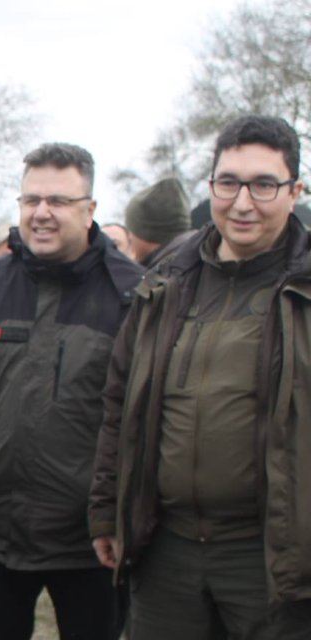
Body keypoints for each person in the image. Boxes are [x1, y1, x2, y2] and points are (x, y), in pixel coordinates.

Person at [90, 114, 311, 638]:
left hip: (272, 558)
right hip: (167, 551)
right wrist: (106, 510)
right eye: (228, 182)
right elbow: (121, 401)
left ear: (294, 190)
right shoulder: (166, 280)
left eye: (263, 184)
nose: (242, 202)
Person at [0, 142, 143, 640]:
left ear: (91, 210)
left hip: (90, 541)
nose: (42, 213)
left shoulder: (133, 295)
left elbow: (143, 415)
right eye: (31, 200)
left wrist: (116, 512)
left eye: (58, 201)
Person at [122, 176, 192, 267]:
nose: (130, 237)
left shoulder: (171, 273)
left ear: (146, 234)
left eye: (131, 230)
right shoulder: (196, 256)